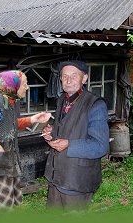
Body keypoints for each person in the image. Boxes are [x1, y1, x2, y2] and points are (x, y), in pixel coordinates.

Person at [0, 70, 51, 210]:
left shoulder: (8, 99)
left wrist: (32, 119)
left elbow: (8, 123)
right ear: (13, 87)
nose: (27, 87)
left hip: (1, 160)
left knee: (3, 204)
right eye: (24, 84)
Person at [41, 60, 109, 210]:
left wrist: (68, 144)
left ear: (84, 78)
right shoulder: (62, 100)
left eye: (74, 76)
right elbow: (68, 127)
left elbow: (100, 146)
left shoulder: (95, 104)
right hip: (56, 176)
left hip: (77, 180)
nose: (68, 80)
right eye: (64, 76)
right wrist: (51, 132)